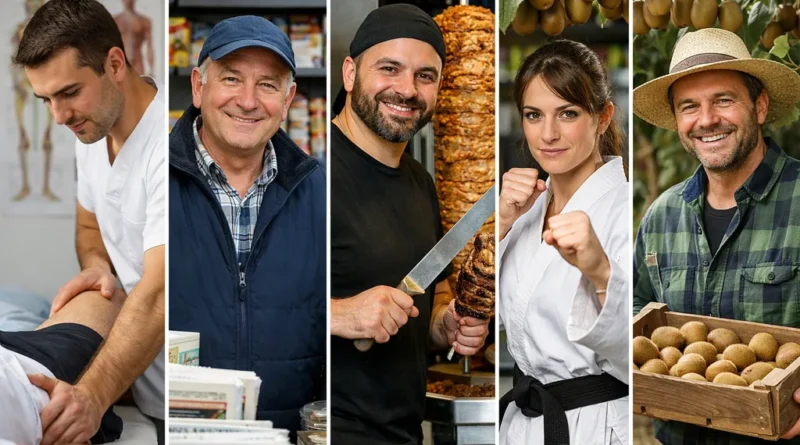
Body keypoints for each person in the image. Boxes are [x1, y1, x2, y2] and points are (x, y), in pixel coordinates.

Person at [329, 5, 490, 444]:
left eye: (425, 76)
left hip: (403, 432)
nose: (407, 90)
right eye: (389, 69)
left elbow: (432, 290)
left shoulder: (420, 181)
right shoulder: (309, 171)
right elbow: (249, 299)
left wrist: (444, 323)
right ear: (350, 73)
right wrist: (340, 314)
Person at [632, 28, 800, 443]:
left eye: (723, 100)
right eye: (689, 106)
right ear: (677, 121)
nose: (706, 120)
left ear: (759, 106)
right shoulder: (661, 216)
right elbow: (637, 308)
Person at [13, 0, 166, 443]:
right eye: (45, 100)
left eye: (67, 93)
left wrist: (93, 397)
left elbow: (159, 296)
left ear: (115, 63)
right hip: (130, 376)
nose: (58, 117)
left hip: (179, 387)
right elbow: (88, 227)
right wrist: (99, 267)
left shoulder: (170, 149)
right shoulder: (92, 128)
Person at [168, 15, 326, 437]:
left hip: (291, 433)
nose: (249, 100)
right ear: (199, 88)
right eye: (232, 79)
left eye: (268, 85)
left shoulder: (323, 193)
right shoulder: (151, 183)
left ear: (289, 97)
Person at [497, 40, 630, 445]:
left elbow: (640, 355)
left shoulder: (624, 208)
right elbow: (476, 325)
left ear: (602, 118)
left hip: (595, 426)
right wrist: (499, 224)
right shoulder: (523, 210)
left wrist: (600, 270)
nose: (548, 134)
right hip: (523, 423)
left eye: (567, 114)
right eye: (533, 115)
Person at [0, 290, 126, 445]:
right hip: (39, 367)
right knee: (106, 294)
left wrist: (98, 266)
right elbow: (110, 295)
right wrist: (94, 394)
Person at [114, 0, 154, 76]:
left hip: (137, 63)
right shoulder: (115, 21)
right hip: (120, 62)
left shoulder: (144, 21)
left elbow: (149, 47)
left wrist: (151, 70)